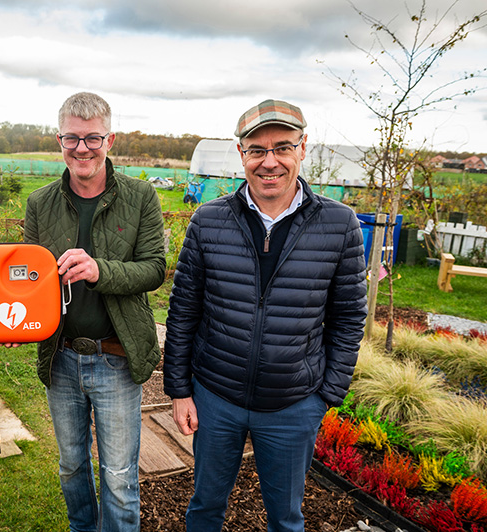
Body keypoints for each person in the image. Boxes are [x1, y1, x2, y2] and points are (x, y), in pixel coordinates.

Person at [164, 99, 368, 532]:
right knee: (204, 509)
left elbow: (349, 318)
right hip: (216, 398)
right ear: (241, 154)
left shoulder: (340, 224)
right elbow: (183, 311)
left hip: (293, 404)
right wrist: (181, 390)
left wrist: (326, 395)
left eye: (282, 147)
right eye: (256, 150)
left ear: (303, 148)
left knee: (286, 519)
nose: (269, 161)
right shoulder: (209, 220)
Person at [24, 92, 166, 532]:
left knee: (120, 478)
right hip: (62, 356)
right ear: (59, 139)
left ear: (110, 139)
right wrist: (14, 317)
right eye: (72, 138)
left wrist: (98, 269)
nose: (81, 149)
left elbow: (155, 269)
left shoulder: (141, 197)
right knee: (71, 469)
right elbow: (29, 276)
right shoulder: (40, 202)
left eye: (92, 138)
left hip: (115, 358)